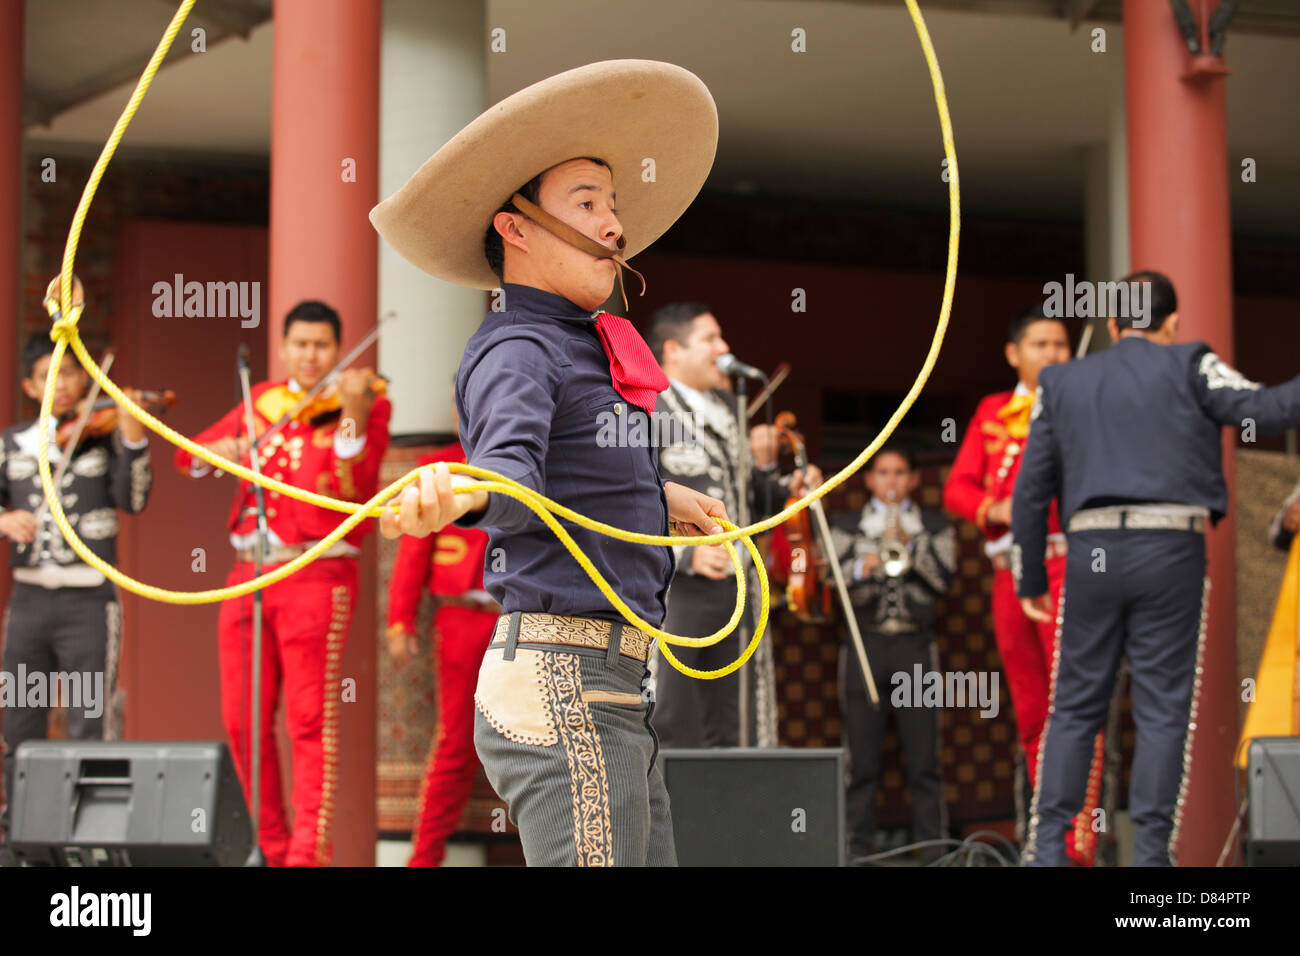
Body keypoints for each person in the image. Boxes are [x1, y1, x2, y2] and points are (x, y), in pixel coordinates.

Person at [371, 60, 727, 866]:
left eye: (612, 205)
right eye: (587, 204)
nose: (613, 226)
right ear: (516, 227)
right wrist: (459, 497)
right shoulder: (519, 348)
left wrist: (655, 493)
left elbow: (563, 470)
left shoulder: (574, 347)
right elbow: (513, 483)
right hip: (565, 676)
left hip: (609, 681)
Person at [1012, 270, 1300, 866]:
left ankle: (1046, 852)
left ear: (1115, 325)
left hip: (1091, 549)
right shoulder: (1191, 362)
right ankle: (1150, 861)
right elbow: (1268, 410)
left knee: (1074, 707)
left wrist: (1031, 577)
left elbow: (1030, 489)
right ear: (1171, 323)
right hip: (1171, 548)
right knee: (1163, 709)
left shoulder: (1060, 380)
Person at [175, 300, 391, 867]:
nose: (310, 356)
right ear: (283, 346)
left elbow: (355, 486)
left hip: (314, 571)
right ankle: (267, 847)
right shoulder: (262, 401)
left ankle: (305, 856)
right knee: (241, 719)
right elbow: (186, 458)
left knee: (308, 717)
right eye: (300, 344)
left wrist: (351, 412)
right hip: (248, 572)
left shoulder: (365, 399)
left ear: (338, 348)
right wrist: (215, 453)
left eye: (321, 345)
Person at [943, 306, 1106, 865]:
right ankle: (1050, 835)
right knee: (1033, 709)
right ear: (1015, 353)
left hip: (1067, 566)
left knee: (1074, 704)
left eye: (1061, 344)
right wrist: (996, 507)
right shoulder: (994, 412)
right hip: (1009, 570)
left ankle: (1077, 843)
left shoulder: (1081, 405)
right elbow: (957, 487)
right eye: (1040, 344)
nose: (1054, 353)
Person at [0, 334, 153, 849]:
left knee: (91, 720)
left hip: (88, 601)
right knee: (19, 719)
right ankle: (20, 835)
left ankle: (92, 837)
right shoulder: (11, 443)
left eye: (68, 374)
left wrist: (133, 439)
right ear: (29, 385)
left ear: (84, 378)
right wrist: (5, 518)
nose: (60, 385)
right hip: (28, 603)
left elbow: (133, 500)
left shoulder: (104, 437)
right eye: (47, 376)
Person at [646, 301, 820, 748]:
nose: (723, 348)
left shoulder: (727, 406)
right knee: (677, 713)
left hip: (738, 583)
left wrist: (786, 487)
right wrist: (683, 552)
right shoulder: (646, 408)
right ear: (673, 351)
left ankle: (735, 814)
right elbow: (626, 498)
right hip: (677, 588)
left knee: (737, 717)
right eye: (709, 339)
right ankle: (677, 816)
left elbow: (744, 495)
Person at [830, 443, 955, 862]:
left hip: (915, 646)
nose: (891, 481)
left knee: (924, 761)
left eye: (900, 473)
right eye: (883, 473)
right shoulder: (846, 524)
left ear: (914, 479)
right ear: (869, 479)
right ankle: (856, 853)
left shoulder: (935, 526)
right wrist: (866, 563)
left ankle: (935, 854)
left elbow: (945, 582)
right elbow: (829, 577)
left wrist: (912, 549)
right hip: (865, 645)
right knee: (860, 761)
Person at [385, 409, 499, 867]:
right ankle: (423, 860)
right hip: (461, 617)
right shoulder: (438, 469)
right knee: (455, 741)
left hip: (528, 618)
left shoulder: (536, 463)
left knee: (543, 744)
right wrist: (400, 621)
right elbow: (413, 550)